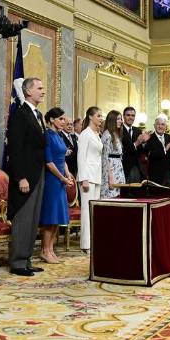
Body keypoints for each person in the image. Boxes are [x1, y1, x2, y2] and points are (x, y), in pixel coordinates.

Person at [6, 78, 48, 276]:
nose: (43, 91)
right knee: (23, 218)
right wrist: (20, 177)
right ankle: (17, 262)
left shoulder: (37, 114)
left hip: (38, 172)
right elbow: (15, 149)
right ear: (28, 91)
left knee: (33, 219)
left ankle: (26, 259)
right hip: (26, 176)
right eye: (39, 88)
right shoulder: (20, 114)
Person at [40, 107, 73, 264]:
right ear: (52, 120)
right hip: (52, 180)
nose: (64, 121)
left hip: (60, 179)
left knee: (57, 217)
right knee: (50, 217)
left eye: (64, 119)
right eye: (61, 119)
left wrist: (68, 174)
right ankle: (45, 251)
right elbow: (49, 162)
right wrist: (62, 178)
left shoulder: (59, 135)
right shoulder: (47, 135)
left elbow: (62, 159)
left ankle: (50, 249)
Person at [77, 107, 104, 253]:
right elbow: (81, 157)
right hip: (87, 177)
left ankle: (93, 242)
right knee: (86, 211)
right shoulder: (85, 134)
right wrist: (84, 179)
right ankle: (86, 244)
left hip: (96, 176)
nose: (101, 118)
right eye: (98, 116)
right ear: (90, 117)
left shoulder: (96, 134)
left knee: (94, 210)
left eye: (101, 116)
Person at [147, 115, 170, 187]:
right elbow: (151, 155)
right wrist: (165, 149)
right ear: (154, 125)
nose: (160, 126)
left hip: (169, 174)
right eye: (158, 124)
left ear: (166, 127)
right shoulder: (149, 138)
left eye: (162, 124)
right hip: (155, 175)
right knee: (157, 194)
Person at [100, 110, 125, 199]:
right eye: (118, 119)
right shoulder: (107, 135)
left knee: (118, 197)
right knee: (110, 197)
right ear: (112, 120)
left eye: (121, 119)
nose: (121, 121)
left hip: (118, 168)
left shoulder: (116, 134)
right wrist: (110, 178)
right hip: (111, 171)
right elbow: (105, 158)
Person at [121, 106, 149, 183]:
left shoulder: (138, 130)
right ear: (123, 116)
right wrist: (137, 143)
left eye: (133, 115)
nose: (130, 117)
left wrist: (144, 143)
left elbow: (142, 151)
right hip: (123, 167)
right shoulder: (119, 130)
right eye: (128, 115)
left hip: (137, 167)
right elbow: (122, 150)